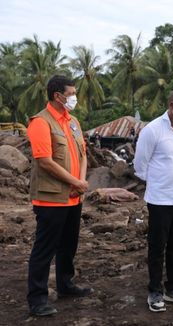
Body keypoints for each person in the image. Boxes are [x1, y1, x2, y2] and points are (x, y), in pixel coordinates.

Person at [26, 75, 91, 317]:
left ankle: (66, 284)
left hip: (74, 197)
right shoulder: (40, 123)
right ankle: (37, 298)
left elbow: (83, 153)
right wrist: (75, 182)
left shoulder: (73, 121)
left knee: (68, 245)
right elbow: (44, 162)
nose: (74, 98)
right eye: (71, 94)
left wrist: (81, 183)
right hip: (51, 198)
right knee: (45, 248)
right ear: (58, 96)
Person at [134, 88, 173, 312]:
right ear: (172, 107)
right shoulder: (152, 130)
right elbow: (140, 166)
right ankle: (154, 290)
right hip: (161, 199)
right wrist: (161, 182)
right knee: (157, 246)